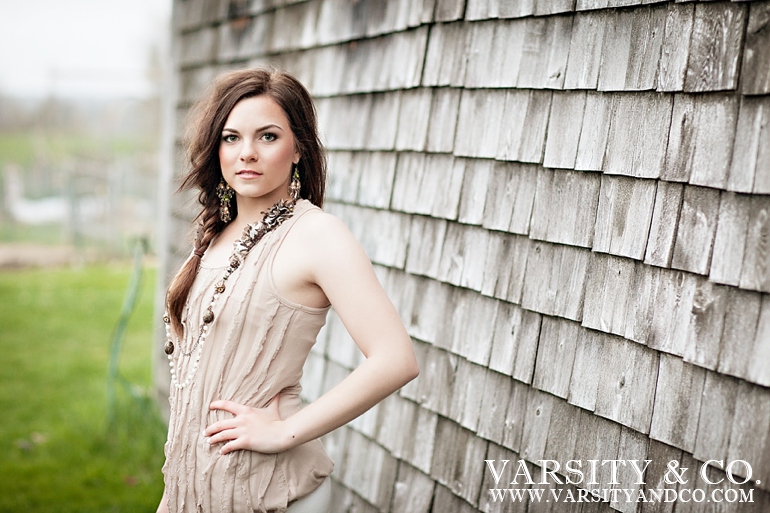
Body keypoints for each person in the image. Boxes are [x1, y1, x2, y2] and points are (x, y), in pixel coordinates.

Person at [156, 67, 419, 513]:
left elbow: (396, 359)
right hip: (191, 492)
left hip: (268, 494)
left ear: (298, 147)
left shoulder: (317, 235)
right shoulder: (215, 233)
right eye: (232, 137)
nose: (248, 153)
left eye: (268, 136)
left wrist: (283, 430)